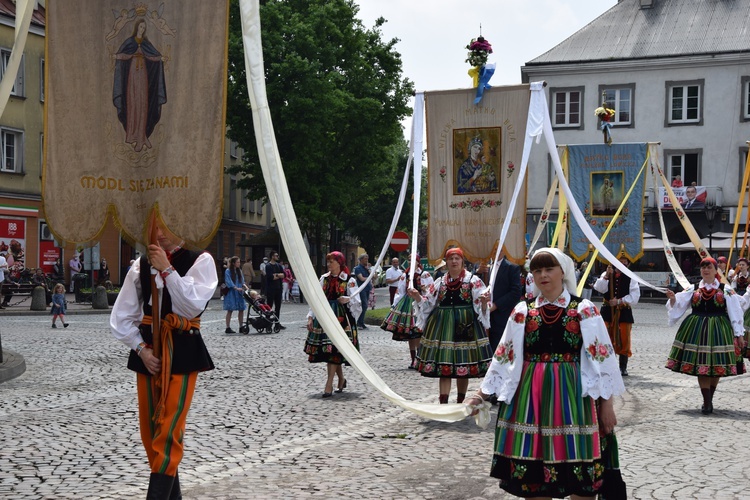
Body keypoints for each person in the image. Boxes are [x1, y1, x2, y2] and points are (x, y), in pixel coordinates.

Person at [464, 247, 624, 498]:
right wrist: (480, 395)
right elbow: (504, 357)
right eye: (537, 270)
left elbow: (602, 360)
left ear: (563, 272)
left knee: (582, 482)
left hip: (574, 399)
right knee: (534, 481)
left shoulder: (584, 309)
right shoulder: (522, 311)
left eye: (549, 269)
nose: (543, 275)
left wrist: (606, 406)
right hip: (530, 398)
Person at [110, 226, 217, 498]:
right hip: (148, 351)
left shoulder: (200, 259)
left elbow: (191, 306)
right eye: (152, 226)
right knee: (150, 433)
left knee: (169, 430)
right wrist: (141, 349)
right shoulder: (141, 264)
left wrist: (167, 270)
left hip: (182, 346)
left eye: (166, 225)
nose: (158, 233)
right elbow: (122, 316)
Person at [408, 247, 493, 404]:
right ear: (446, 262)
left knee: (463, 366)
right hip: (443, 327)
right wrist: (418, 297)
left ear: (462, 261)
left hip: (465, 326)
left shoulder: (473, 281)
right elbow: (428, 304)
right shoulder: (439, 282)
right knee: (444, 367)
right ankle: (443, 404)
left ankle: (460, 402)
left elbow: (482, 309)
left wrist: (483, 302)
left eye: (457, 258)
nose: (454, 261)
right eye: (450, 258)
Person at [665, 257, 744, 414]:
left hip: (719, 330)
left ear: (716, 271)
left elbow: (736, 311)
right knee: (702, 364)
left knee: (717, 365)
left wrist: (739, 333)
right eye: (703, 268)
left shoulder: (726, 289)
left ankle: (710, 397)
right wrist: (673, 299)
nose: (706, 270)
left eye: (709, 267)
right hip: (697, 329)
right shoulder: (692, 289)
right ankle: (707, 402)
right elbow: (678, 306)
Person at [304, 251, 361, 397]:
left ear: (339, 263)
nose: (329, 264)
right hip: (325, 317)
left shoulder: (349, 280)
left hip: (342, 319)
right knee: (331, 351)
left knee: (335, 350)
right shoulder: (324, 279)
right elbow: (315, 299)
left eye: (332, 262)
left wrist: (347, 299)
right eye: (328, 261)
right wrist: (311, 317)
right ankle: (341, 379)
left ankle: (328, 384)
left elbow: (356, 301)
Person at [113, 19, 167, 152]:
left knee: (143, 104)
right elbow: (125, 55)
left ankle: (142, 136)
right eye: (141, 26)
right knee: (133, 104)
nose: (142, 29)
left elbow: (153, 56)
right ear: (137, 27)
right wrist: (117, 56)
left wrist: (160, 59)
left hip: (143, 77)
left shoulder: (146, 43)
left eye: (144, 27)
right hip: (132, 77)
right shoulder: (130, 42)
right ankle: (132, 136)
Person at [594, 253, 640, 376]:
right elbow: (598, 288)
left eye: (625, 262)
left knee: (624, 338)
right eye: (620, 261)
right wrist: (606, 276)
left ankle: (622, 367)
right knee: (605, 337)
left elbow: (635, 297)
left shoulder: (631, 277)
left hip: (623, 311)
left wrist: (619, 301)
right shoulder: (607, 274)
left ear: (628, 264)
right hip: (607, 311)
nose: (622, 264)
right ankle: (606, 365)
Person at [382, 254, 422, 369]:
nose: (411, 262)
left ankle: (419, 358)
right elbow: (400, 291)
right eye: (409, 260)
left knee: (418, 332)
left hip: (419, 302)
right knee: (410, 333)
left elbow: (429, 289)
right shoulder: (405, 275)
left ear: (418, 262)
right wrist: (395, 305)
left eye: (413, 260)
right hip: (408, 304)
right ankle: (413, 359)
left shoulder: (423, 274)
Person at [487, 255, 523, 353]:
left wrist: (496, 305)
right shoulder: (483, 266)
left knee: (499, 350)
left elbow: (516, 292)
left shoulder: (512, 267)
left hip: (501, 316)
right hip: (485, 317)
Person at [223, 256, 247, 334]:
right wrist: (235, 288)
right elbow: (228, 281)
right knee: (230, 310)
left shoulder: (239, 270)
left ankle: (241, 326)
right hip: (231, 292)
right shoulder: (228, 271)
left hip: (239, 292)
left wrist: (245, 286)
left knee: (241, 309)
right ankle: (227, 327)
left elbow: (242, 280)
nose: (239, 264)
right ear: (233, 263)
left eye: (239, 262)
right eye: (238, 262)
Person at [352, 253, 373, 329]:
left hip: (367, 288)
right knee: (363, 305)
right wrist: (369, 277)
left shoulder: (366, 268)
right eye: (365, 259)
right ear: (361, 260)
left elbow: (374, 277)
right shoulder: (357, 268)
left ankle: (361, 322)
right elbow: (361, 278)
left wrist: (369, 270)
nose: (366, 260)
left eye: (367, 259)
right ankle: (359, 322)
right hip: (361, 289)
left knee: (365, 306)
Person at [265, 251, 285, 323]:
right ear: (272, 256)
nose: (277, 257)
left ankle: (277, 322)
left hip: (278, 288)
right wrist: (278, 275)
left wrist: (276, 275)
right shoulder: (268, 266)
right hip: (271, 289)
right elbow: (271, 277)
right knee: (269, 306)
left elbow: (283, 275)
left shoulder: (278, 265)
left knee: (278, 307)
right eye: (276, 255)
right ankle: (267, 321)